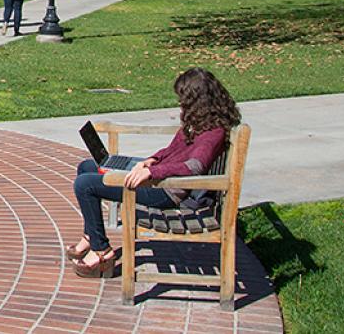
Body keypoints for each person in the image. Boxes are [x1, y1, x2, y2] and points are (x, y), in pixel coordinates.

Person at [67, 67, 241, 277]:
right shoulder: (199, 122)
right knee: (86, 166)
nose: (180, 103)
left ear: (198, 100)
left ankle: (102, 251)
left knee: (85, 185)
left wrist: (153, 172)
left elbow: (195, 166)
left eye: (183, 98)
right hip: (159, 178)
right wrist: (152, 160)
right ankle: (91, 235)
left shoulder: (213, 132)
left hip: (166, 191)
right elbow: (172, 150)